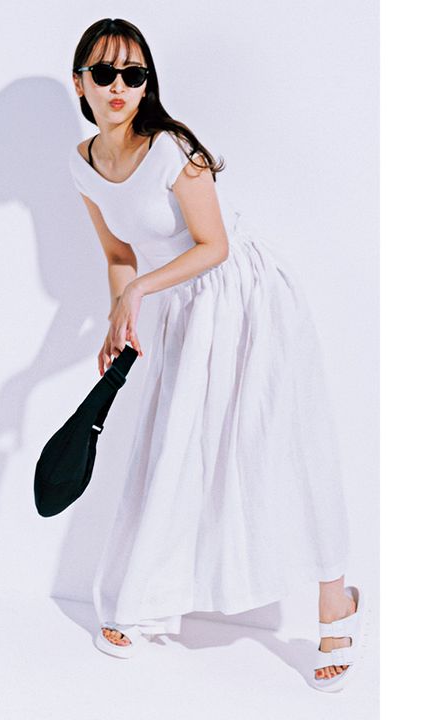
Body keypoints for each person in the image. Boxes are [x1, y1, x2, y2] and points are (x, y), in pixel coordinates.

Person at [67, 18, 369, 691]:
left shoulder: (173, 151)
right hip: (187, 308)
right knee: (175, 447)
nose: (119, 87)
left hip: (247, 296)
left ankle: (336, 603)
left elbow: (215, 246)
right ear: (80, 82)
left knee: (285, 444)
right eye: (104, 73)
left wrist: (138, 291)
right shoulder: (83, 163)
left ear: (148, 84)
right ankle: (144, 601)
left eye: (134, 74)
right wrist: (119, 315)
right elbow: (118, 253)